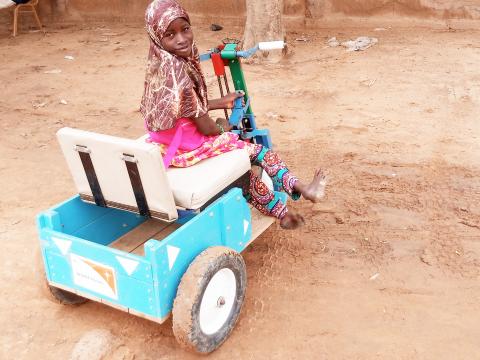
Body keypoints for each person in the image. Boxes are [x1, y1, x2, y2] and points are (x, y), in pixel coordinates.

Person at [140, 0, 327, 230]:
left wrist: (220, 102)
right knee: (259, 152)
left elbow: (183, 107)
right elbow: (207, 128)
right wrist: (225, 127)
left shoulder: (159, 65)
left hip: (164, 143)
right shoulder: (181, 74)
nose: (182, 39)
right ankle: (302, 188)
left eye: (185, 29)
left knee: (245, 178)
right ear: (158, 36)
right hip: (187, 147)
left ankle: (283, 214)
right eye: (170, 34)